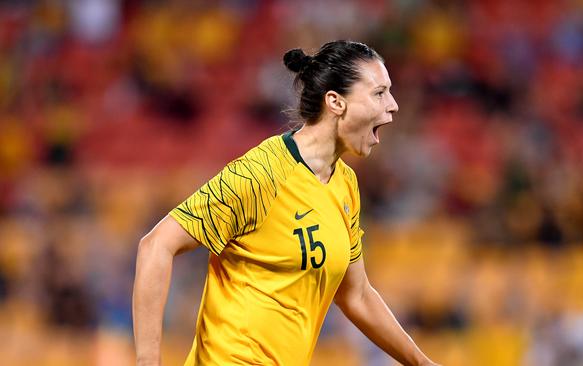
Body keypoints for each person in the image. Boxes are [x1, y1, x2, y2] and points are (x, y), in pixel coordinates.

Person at [133, 40, 440, 366]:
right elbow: (155, 246)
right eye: (379, 93)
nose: (392, 105)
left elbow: (357, 294)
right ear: (336, 102)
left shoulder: (345, 184)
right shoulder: (262, 174)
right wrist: (147, 361)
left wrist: (421, 363)